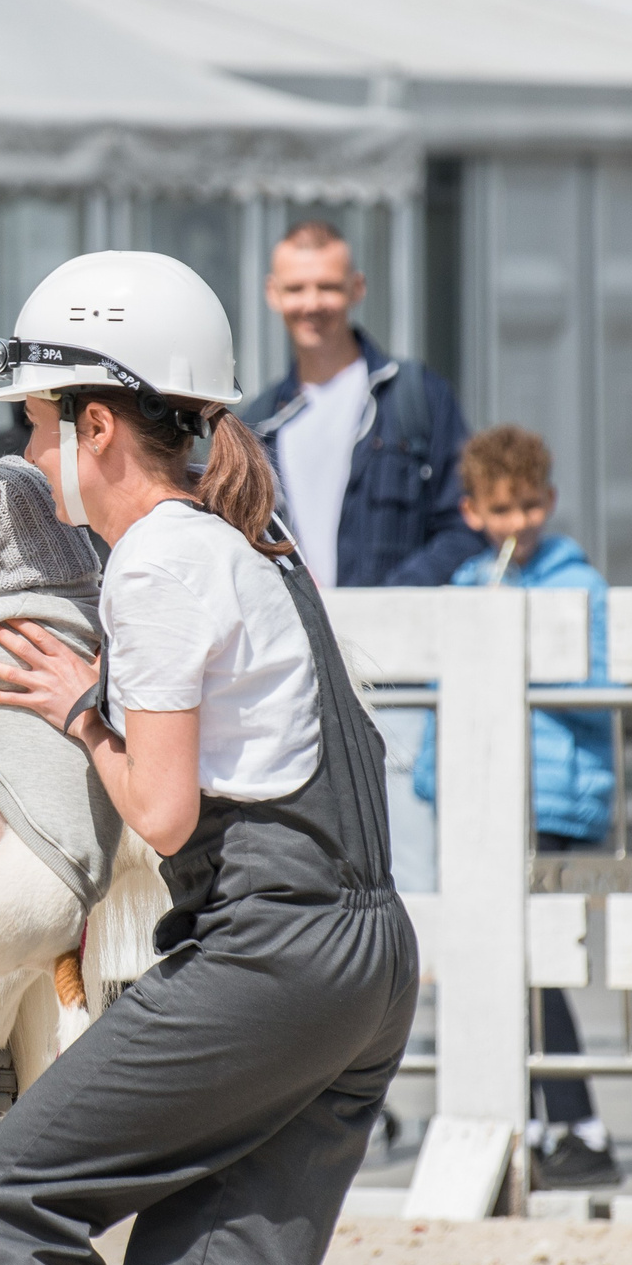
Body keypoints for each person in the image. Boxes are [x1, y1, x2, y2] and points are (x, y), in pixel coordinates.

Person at [0, 252, 417, 1265]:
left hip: (270, 957)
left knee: (11, 1200)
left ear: (97, 425)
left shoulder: (155, 563)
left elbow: (158, 811)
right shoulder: (250, 537)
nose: (26, 453)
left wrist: (78, 713)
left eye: (37, 423)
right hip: (366, 967)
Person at [245, 220, 485, 898]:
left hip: (399, 674)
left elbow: (463, 525)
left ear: (357, 288)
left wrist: (385, 602)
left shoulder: (415, 398)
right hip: (295, 670)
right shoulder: (257, 421)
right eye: (297, 288)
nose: (312, 303)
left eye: (327, 287)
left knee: (410, 860)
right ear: (272, 293)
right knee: (309, 865)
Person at [410, 425, 618, 1189]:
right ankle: (523, 1117)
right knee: (490, 958)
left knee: (536, 962)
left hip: (549, 797)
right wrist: (434, 775)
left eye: (529, 505)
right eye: (501, 509)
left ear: (549, 501)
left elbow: (596, 683)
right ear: (473, 512)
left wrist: (517, 645)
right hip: (479, 792)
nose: (518, 522)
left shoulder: (578, 582)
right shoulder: (468, 585)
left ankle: (577, 1123)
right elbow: (445, 695)